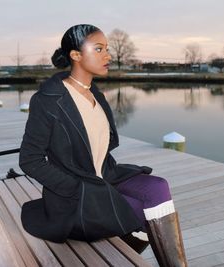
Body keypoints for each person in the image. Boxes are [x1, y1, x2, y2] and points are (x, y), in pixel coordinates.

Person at [19, 24, 187, 266]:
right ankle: (119, 259)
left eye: (106, 49)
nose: (108, 56)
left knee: (158, 187)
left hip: (105, 178)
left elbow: (99, 148)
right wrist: (75, 188)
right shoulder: (48, 101)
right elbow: (29, 160)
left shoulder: (96, 94)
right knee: (144, 213)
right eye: (98, 49)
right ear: (75, 56)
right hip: (77, 196)